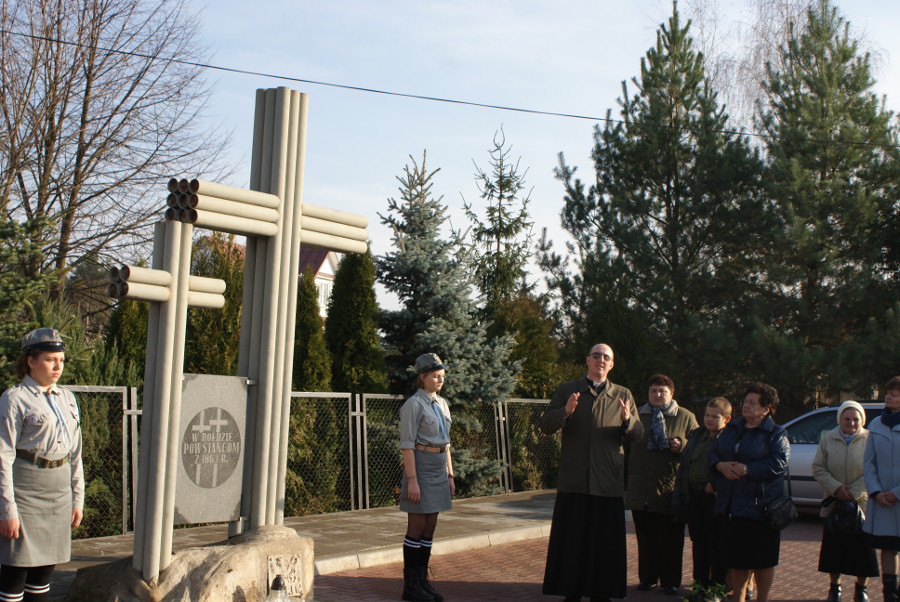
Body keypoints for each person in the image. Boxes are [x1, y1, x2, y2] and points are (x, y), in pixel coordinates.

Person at [540, 343, 642, 602]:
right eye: (596, 355)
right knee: (573, 542)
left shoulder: (623, 394)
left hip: (607, 483)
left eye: (605, 357)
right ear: (587, 360)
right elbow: (545, 425)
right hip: (575, 481)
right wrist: (565, 412)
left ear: (612, 364)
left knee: (604, 545)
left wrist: (628, 421)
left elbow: (639, 435)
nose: (600, 360)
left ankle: (602, 592)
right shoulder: (568, 390)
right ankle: (571, 591)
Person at [0, 328, 84, 602]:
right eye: (50, 359)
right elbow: (3, 456)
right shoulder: (14, 399)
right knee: (16, 571)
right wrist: (7, 510)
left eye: (61, 359)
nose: (58, 366)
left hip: (59, 492)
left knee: (43, 575)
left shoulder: (67, 398)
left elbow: (76, 453)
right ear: (30, 361)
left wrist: (77, 499)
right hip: (25, 492)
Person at [709, 382, 789, 602]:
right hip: (732, 506)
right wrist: (720, 466)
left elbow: (780, 462)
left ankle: (761, 598)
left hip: (761, 508)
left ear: (766, 408)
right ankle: (739, 598)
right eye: (745, 401)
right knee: (736, 560)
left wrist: (748, 469)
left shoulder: (776, 433)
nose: (746, 405)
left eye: (753, 403)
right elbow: (714, 453)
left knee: (763, 560)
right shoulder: (732, 428)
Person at [625, 374, 698, 596]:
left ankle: (670, 581)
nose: (658, 395)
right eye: (654, 391)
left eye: (662, 391)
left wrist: (682, 445)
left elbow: (699, 445)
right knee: (645, 539)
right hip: (641, 489)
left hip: (669, 490)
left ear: (671, 394)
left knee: (671, 540)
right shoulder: (638, 415)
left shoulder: (685, 416)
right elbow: (625, 445)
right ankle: (647, 578)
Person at [398, 353, 454, 602]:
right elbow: (407, 445)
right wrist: (412, 480)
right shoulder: (413, 405)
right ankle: (411, 586)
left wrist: (450, 475)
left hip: (438, 467)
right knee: (417, 527)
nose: (439, 379)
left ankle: (423, 581)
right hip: (420, 467)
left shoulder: (441, 403)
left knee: (430, 526)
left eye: (442, 375)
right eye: (435, 375)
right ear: (422, 377)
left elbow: (447, 444)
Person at [813, 400, 878, 602]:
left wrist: (855, 491)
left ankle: (861, 589)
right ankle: (835, 588)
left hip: (862, 505)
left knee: (864, 552)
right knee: (835, 550)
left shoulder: (871, 439)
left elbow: (873, 469)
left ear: (862, 420)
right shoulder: (828, 439)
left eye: (855, 419)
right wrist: (836, 488)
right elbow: (818, 468)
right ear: (839, 418)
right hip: (835, 504)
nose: (851, 423)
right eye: (846, 418)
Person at [672, 397, 732, 602]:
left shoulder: (729, 439)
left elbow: (730, 466)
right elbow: (685, 465)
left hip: (715, 499)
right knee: (699, 545)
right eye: (707, 415)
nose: (709, 419)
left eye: (715, 416)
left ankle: (718, 590)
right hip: (694, 497)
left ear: (727, 418)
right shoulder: (697, 435)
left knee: (716, 546)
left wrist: (716, 483)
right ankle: (699, 587)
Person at [863, 376, 900, 602]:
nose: (889, 396)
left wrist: (896, 493)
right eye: (887, 392)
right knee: (888, 547)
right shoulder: (876, 424)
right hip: (882, 499)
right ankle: (890, 592)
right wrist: (876, 491)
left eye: (895, 394)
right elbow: (868, 462)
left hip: (897, 496)